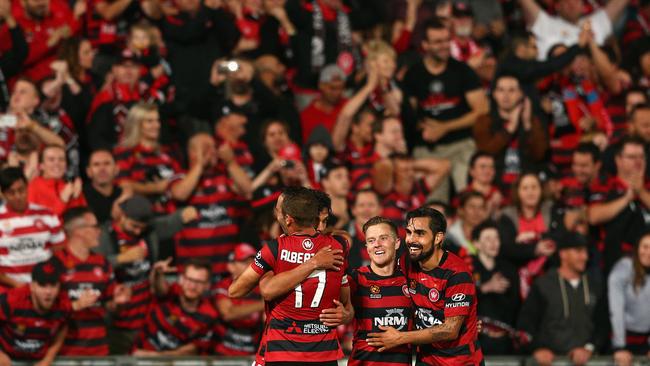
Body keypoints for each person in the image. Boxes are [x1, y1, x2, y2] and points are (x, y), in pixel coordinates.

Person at [228, 187, 352, 365]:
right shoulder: (339, 247)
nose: (276, 214)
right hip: (325, 355)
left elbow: (237, 291)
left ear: (288, 218)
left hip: (282, 352)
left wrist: (346, 314)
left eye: (279, 210)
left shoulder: (275, 249)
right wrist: (313, 262)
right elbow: (346, 302)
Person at [366, 207, 484, 365]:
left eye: (420, 233)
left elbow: (450, 330)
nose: (411, 240)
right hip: (426, 360)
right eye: (409, 232)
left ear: (437, 238)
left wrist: (400, 338)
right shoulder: (407, 262)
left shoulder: (457, 274)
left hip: (460, 362)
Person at [96, 194, 198, 354]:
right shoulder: (104, 236)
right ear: (122, 215)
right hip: (115, 321)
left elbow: (168, 223)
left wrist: (184, 214)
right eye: (134, 225)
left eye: (141, 227)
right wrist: (121, 258)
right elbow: (92, 268)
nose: (137, 231)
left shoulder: (149, 231)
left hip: (145, 320)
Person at [403, 18, 489, 202]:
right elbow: (408, 114)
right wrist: (423, 128)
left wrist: (445, 127)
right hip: (427, 148)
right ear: (425, 45)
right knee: (432, 208)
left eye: (446, 40)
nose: (444, 46)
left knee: (470, 199)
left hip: (461, 145)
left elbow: (481, 110)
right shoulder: (413, 74)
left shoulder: (463, 71)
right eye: (437, 42)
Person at [170, 132, 252, 283]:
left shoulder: (224, 175)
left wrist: (231, 163)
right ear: (192, 153)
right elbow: (180, 194)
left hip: (225, 270)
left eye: (214, 147)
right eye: (206, 148)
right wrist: (199, 164)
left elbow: (248, 190)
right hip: (193, 272)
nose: (213, 151)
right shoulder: (180, 177)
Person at [517, 229, 608, 366]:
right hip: (550, 362)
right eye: (578, 251)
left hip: (587, 361)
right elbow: (525, 325)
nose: (585, 257)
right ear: (563, 254)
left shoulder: (595, 284)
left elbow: (603, 323)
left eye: (585, 251)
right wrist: (537, 349)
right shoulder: (543, 284)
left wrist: (589, 348)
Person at [56, 207, 130, 356]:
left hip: (98, 350)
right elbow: (46, 310)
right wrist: (75, 305)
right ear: (78, 231)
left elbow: (110, 306)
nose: (99, 231)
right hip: (64, 352)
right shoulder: (55, 263)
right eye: (95, 226)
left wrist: (118, 303)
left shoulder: (102, 263)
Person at [348, 216, 412, 366]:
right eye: (371, 241)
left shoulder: (410, 280)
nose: (376, 244)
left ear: (397, 243)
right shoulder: (356, 279)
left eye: (383, 238)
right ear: (367, 247)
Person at [588, 136, 650, 273]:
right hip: (616, 260)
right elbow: (593, 216)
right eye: (632, 157)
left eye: (641, 157)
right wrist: (627, 198)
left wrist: (641, 192)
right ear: (618, 160)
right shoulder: (605, 185)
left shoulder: (648, 186)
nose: (638, 162)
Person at [131, 258, 218, 356]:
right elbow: (159, 289)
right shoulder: (171, 293)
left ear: (207, 285)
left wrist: (156, 357)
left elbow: (192, 349)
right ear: (181, 279)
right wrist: (158, 273)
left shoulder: (209, 315)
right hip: (139, 357)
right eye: (189, 279)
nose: (192, 286)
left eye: (198, 282)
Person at [0, 167, 65, 288]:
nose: (18, 196)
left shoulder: (47, 215)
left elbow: (60, 252)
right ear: (3, 194)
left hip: (45, 288)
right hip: (9, 290)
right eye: (11, 192)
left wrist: (46, 282)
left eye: (21, 190)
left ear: (27, 187)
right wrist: (17, 285)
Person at [0, 258, 72, 364]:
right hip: (8, 357)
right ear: (32, 286)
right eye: (42, 285)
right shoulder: (11, 300)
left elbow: (63, 328)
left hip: (38, 360)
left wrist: (48, 359)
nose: (48, 292)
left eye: (53, 285)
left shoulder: (64, 305)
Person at [113, 102, 181, 214]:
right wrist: (156, 188)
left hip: (172, 210)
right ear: (137, 124)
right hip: (141, 213)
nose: (157, 125)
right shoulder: (124, 152)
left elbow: (180, 179)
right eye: (150, 121)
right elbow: (123, 185)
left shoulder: (168, 152)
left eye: (157, 120)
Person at [518, 0, 629, 60]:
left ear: (583, 5)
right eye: (566, 1)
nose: (571, 4)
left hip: (594, 86)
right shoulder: (544, 22)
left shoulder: (596, 22)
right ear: (557, 6)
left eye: (576, 1)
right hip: (555, 85)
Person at [471, 220, 519, 355]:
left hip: (503, 340)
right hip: (473, 340)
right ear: (476, 243)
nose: (494, 243)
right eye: (488, 239)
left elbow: (515, 304)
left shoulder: (508, 269)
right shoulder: (465, 267)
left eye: (496, 238)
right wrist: (484, 289)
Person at [213, 243, 264, 356]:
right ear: (230, 266)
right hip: (222, 354)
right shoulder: (223, 286)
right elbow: (228, 313)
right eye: (244, 262)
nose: (250, 265)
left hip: (251, 354)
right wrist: (263, 303)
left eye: (252, 262)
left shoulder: (262, 287)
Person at [608, 231, 650, 366]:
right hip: (623, 340)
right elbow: (616, 308)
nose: (648, 252)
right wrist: (619, 346)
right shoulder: (624, 268)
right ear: (637, 248)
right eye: (645, 247)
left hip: (645, 340)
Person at [27, 144, 86, 216]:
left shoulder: (70, 187)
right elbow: (37, 222)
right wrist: (63, 200)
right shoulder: (33, 186)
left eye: (61, 159)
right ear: (41, 166)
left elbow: (81, 219)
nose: (57, 163)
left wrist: (75, 197)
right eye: (51, 160)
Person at [83, 149, 132, 224]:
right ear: (88, 172)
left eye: (107, 164)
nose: (102, 169)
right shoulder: (81, 196)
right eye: (96, 164)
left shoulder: (123, 194)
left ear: (116, 169)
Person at [300, 64, 347, 141]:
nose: (337, 93)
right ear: (321, 85)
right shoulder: (307, 115)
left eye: (341, 88)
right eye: (333, 88)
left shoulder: (348, 105)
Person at [345, 189, 383, 269]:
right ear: (353, 210)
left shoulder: (392, 237)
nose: (366, 210)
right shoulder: (341, 236)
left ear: (380, 209)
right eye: (361, 205)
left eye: (371, 205)